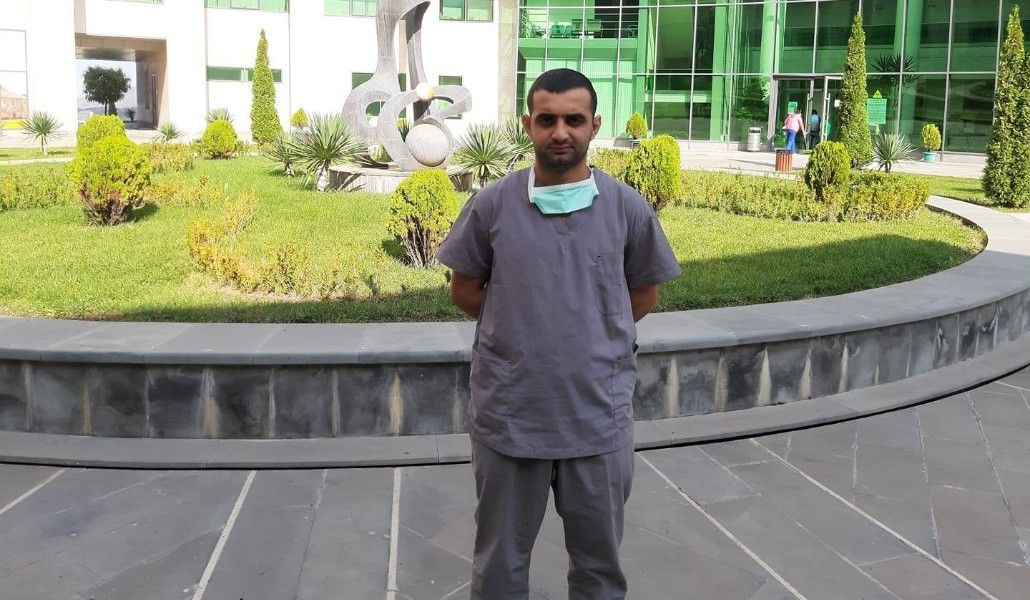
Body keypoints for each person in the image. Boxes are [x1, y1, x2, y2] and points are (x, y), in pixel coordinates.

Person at [437, 68, 681, 599]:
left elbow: (642, 296)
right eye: (547, 120)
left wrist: (587, 332)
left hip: (596, 417)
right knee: (498, 566)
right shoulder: (492, 205)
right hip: (511, 416)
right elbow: (466, 289)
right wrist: (522, 325)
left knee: (599, 569)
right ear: (528, 125)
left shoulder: (626, 208)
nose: (560, 132)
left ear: (595, 126)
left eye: (574, 119)